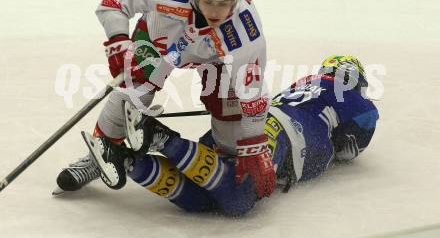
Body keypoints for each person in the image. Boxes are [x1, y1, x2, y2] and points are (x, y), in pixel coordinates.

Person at [55, 0, 275, 199]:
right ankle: (99, 155)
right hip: (158, 45)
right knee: (134, 90)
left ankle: (224, 158)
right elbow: (113, 1)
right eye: (208, 1)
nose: (214, 11)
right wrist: (118, 40)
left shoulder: (245, 29)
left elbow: (252, 94)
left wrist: (253, 146)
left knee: (231, 111)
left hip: (217, 60)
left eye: (223, 4)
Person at [60, 55, 379, 216]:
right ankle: (160, 138)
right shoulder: (351, 95)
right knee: (239, 201)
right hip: (283, 135)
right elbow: (351, 149)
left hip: (256, 122)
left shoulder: (302, 85)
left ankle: (127, 160)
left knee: (201, 199)